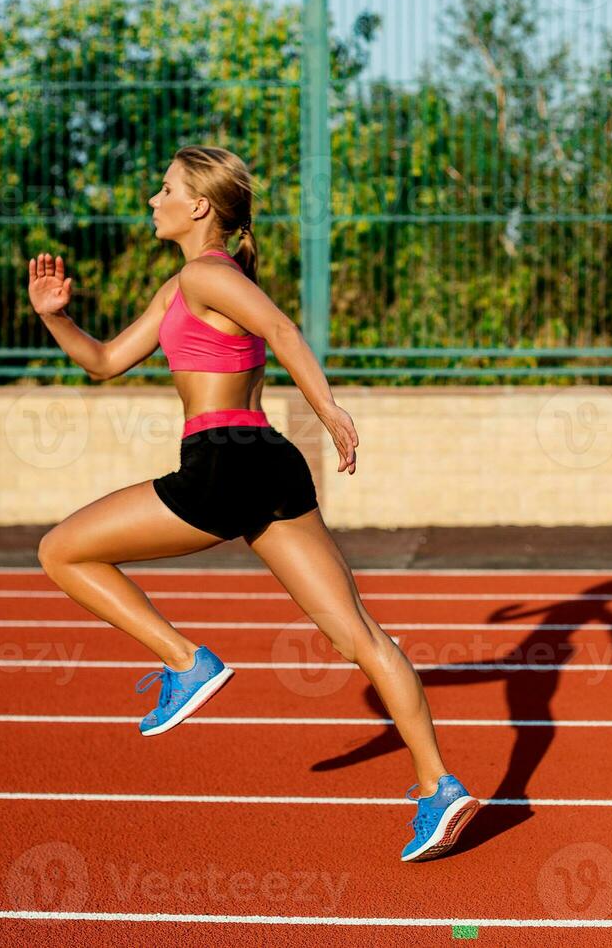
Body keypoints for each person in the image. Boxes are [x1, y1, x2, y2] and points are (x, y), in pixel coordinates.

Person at [26, 144, 478, 862]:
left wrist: (328, 410)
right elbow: (106, 362)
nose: (153, 198)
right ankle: (438, 786)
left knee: (60, 550)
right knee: (359, 634)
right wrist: (54, 317)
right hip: (269, 465)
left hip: (222, 463)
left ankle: (184, 662)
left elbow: (281, 330)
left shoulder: (207, 274)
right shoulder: (181, 288)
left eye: (164, 187)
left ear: (198, 206)